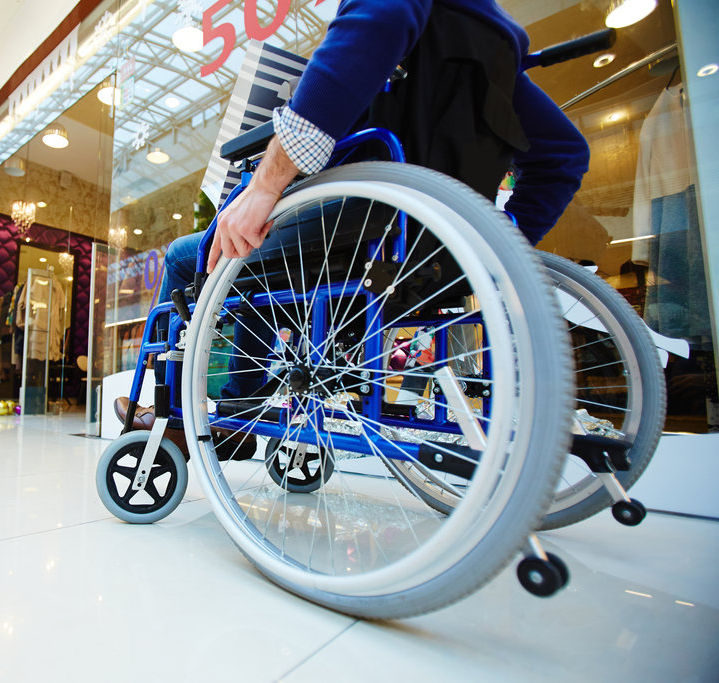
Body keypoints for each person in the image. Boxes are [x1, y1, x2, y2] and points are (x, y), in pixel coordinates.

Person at [115, 0, 591, 434]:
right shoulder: (495, 49)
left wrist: (265, 182)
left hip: (361, 233)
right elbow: (564, 155)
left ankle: (173, 416)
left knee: (188, 255)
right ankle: (241, 410)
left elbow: (380, 20)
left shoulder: (429, 23)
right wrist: (495, 245)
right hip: (428, 256)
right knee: (262, 261)